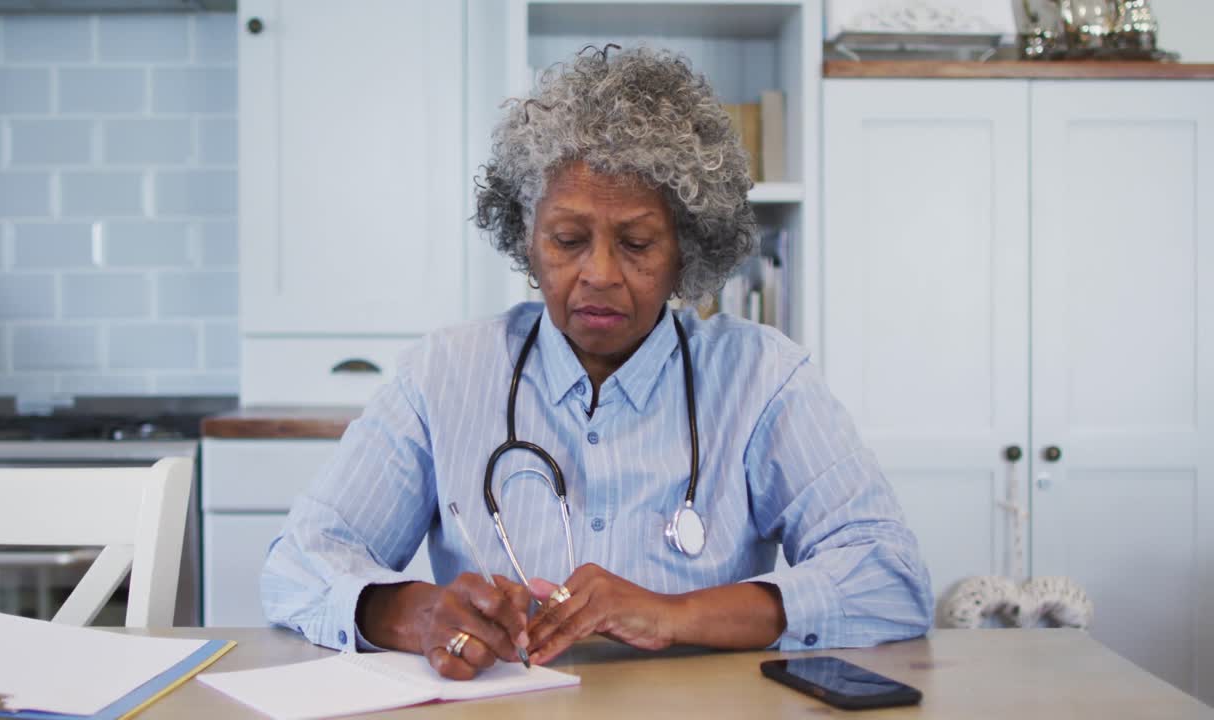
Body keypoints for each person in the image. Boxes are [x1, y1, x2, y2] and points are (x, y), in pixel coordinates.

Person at [262, 45, 932, 680]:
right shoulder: (443, 375)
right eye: (568, 240)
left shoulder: (763, 379)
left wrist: (674, 616)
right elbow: (298, 562)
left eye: (636, 243)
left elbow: (890, 578)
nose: (600, 275)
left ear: (685, 252)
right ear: (527, 242)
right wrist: (417, 614)